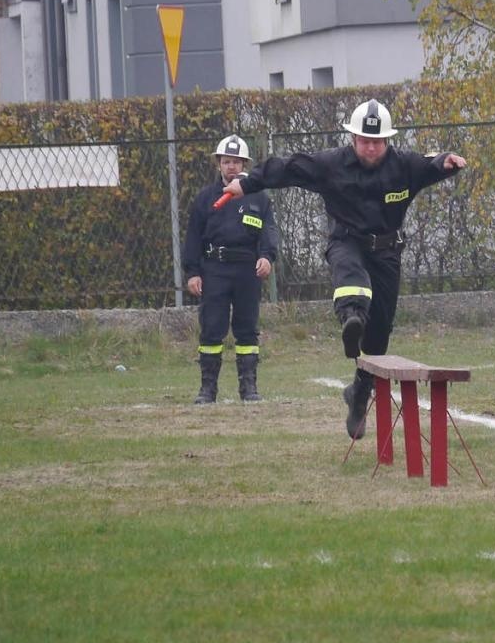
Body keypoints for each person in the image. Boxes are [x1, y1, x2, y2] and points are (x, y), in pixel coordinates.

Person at [219, 99, 467, 438]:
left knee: (379, 337)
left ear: (387, 140)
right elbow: (289, 167)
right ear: (352, 138)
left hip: (387, 252)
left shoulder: (403, 166)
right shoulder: (331, 164)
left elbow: (431, 163)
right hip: (346, 241)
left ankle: (359, 393)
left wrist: (447, 162)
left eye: (377, 142)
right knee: (353, 280)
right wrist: (247, 183)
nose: (371, 148)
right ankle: (351, 317)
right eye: (364, 141)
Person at [183, 134, 277, 403]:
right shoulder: (205, 198)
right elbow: (193, 237)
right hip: (215, 269)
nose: (231, 166)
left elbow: (268, 232)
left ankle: (249, 388)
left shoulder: (259, 198)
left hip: (247, 271)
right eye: (226, 161)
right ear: (219, 164)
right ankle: (207, 390)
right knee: (212, 328)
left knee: (247, 328)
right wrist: (193, 272)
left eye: (236, 161)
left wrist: (267, 257)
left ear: (244, 164)